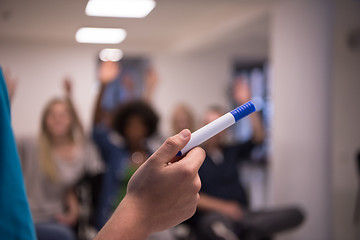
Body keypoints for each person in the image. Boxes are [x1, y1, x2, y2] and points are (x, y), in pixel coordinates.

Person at [0, 67, 206, 240]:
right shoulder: (114, 152)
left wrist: (150, 90)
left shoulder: (155, 151)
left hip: (153, 218)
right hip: (114, 215)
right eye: (130, 125)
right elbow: (96, 126)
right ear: (123, 128)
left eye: (140, 126)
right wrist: (103, 85)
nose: (136, 130)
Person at [190, 105, 303, 240]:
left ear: (225, 130)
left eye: (218, 126)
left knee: (296, 214)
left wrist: (247, 103)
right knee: (215, 225)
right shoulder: (194, 157)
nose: (214, 131)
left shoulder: (231, 151)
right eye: (209, 125)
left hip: (243, 214)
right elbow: (192, 197)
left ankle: (248, 228)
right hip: (213, 217)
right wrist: (223, 207)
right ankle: (246, 230)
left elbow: (258, 137)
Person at [14, 77, 104, 240]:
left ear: (71, 120)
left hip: (56, 218)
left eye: (63, 114)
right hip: (27, 217)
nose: (58, 119)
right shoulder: (31, 145)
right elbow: (4, 140)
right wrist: (7, 101)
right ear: (45, 121)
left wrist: (73, 207)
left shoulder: (82, 152)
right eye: (52, 115)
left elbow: (71, 185)